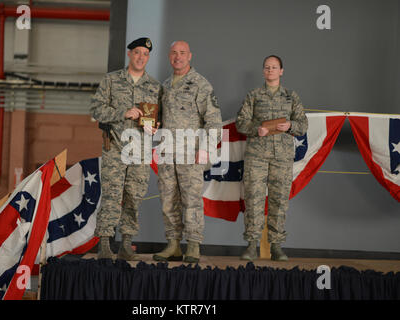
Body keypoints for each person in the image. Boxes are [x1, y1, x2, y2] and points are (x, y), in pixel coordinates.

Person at [90, 37, 161, 261]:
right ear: (129, 54)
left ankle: (127, 244)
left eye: (145, 54)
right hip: (115, 148)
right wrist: (123, 112)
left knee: (134, 196)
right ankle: (104, 244)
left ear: (148, 58)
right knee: (112, 195)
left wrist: (156, 126)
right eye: (137, 52)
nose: (141, 57)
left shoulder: (154, 86)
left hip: (140, 151)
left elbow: (159, 119)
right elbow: (96, 110)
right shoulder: (111, 80)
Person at [153, 41, 222, 263]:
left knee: (192, 200)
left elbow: (214, 122)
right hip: (167, 153)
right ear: (169, 56)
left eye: (182, 53)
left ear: (190, 56)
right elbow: (160, 118)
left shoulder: (201, 84)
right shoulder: (165, 85)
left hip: (191, 153)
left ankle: (193, 244)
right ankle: (173, 244)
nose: (178, 57)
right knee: (167, 200)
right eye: (174, 53)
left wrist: (205, 149)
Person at [235, 55, 308, 261]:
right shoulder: (254, 95)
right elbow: (241, 122)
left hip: (282, 158)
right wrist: (255, 129)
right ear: (263, 71)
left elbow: (303, 124)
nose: (270, 71)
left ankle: (276, 246)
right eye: (267, 67)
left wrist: (291, 126)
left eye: (274, 67)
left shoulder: (291, 97)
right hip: (257, 155)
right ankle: (251, 245)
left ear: (281, 71)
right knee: (254, 199)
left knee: (279, 200)